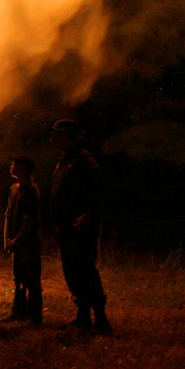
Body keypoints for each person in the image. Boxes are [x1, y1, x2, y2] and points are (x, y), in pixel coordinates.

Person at [49, 119, 112, 334]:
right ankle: (83, 315)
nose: (55, 138)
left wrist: (90, 214)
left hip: (81, 227)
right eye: (55, 134)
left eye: (60, 134)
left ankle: (101, 319)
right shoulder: (65, 160)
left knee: (85, 269)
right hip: (66, 226)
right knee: (72, 271)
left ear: (72, 137)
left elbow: (99, 191)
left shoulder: (84, 160)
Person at [4, 155, 43, 325]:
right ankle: (18, 311)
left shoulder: (31, 190)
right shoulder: (14, 188)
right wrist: (6, 238)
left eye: (15, 165)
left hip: (29, 244)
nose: (12, 167)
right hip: (17, 243)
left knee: (31, 279)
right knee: (18, 278)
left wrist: (17, 240)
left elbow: (30, 221)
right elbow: (7, 214)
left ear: (25, 169)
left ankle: (35, 316)